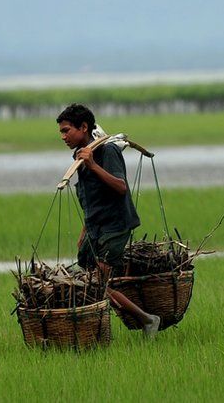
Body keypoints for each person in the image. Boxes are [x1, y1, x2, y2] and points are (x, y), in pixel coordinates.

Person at [56, 103, 161, 338]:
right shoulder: (79, 156)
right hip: (95, 227)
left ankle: (147, 320)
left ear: (84, 127)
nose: (63, 136)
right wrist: (85, 229)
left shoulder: (108, 151)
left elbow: (121, 187)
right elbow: (91, 198)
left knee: (98, 286)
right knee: (90, 279)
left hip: (115, 226)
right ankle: (118, 325)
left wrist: (92, 165)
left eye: (66, 130)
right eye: (61, 132)